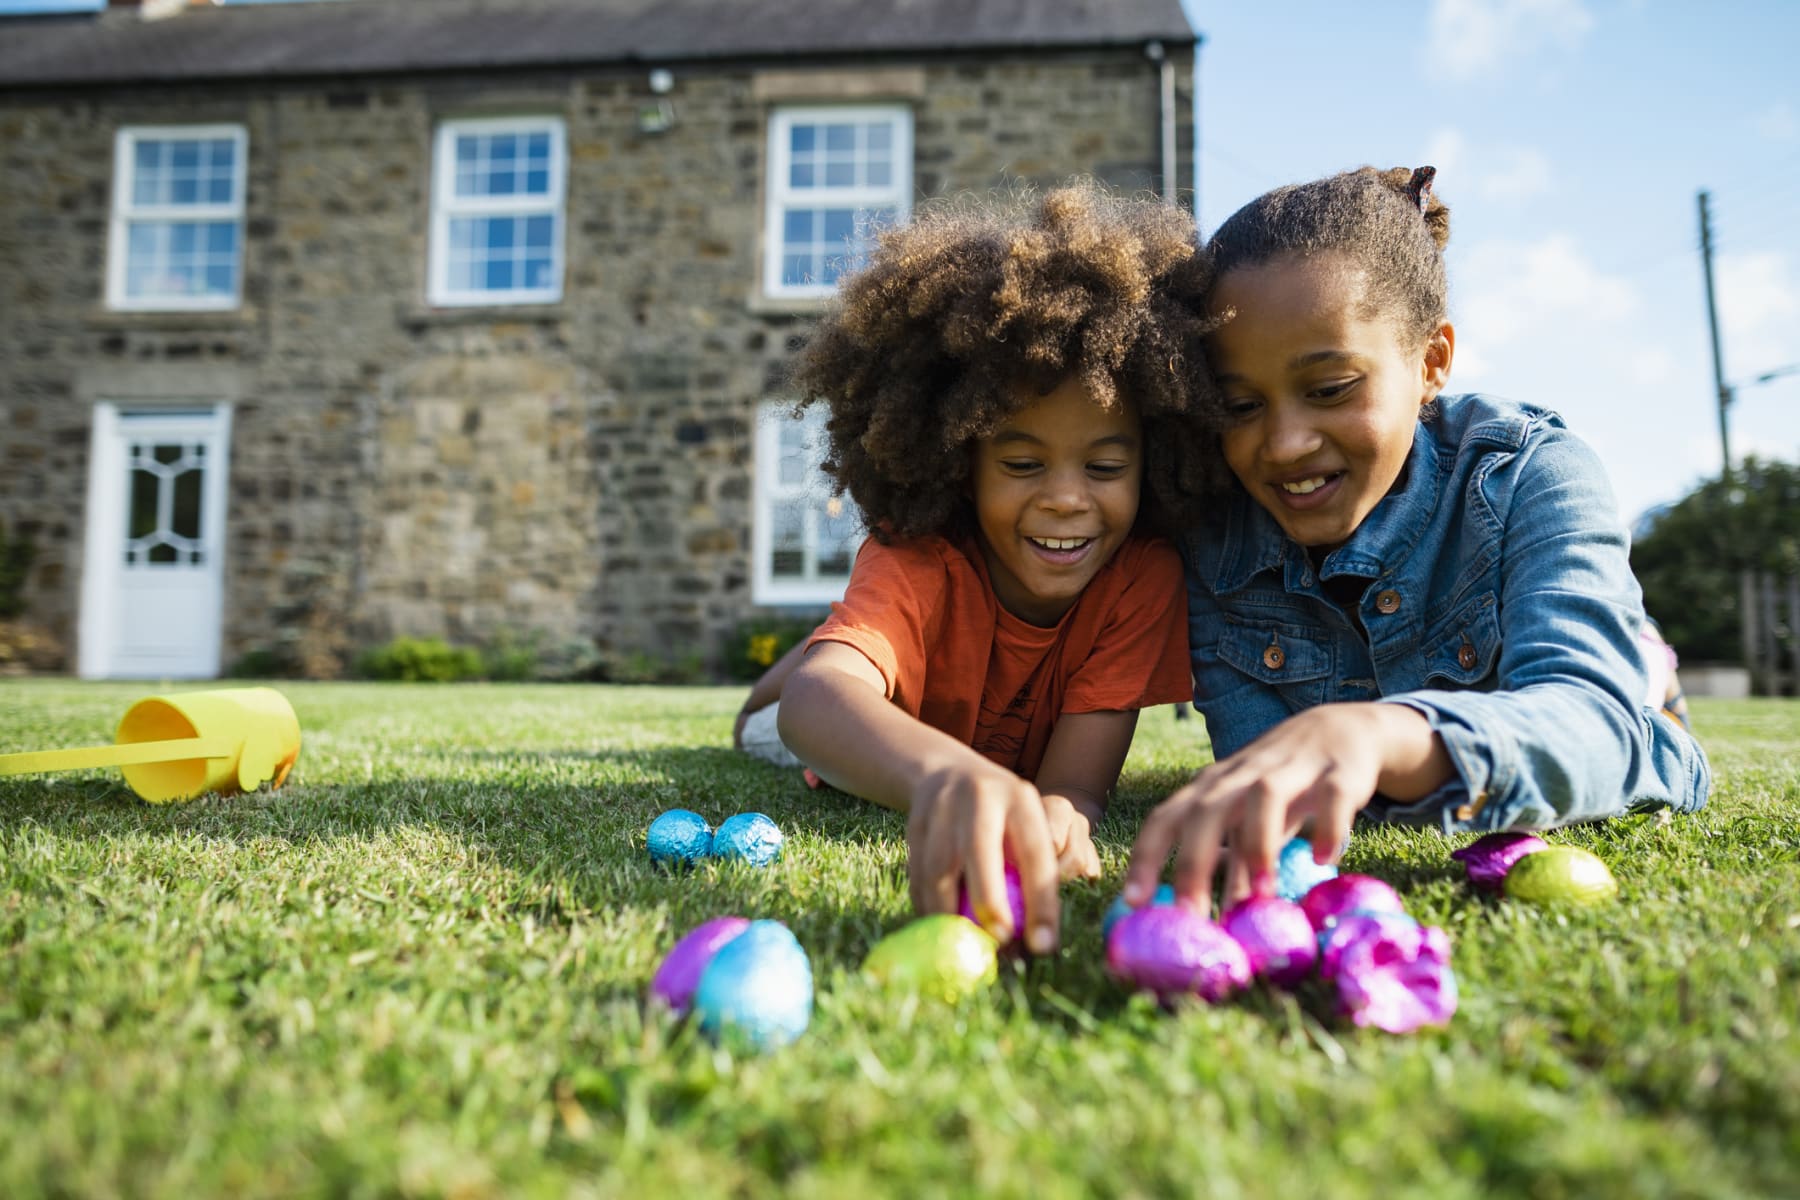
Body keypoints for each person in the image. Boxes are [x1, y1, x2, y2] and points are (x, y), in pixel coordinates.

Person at [1121, 166, 1711, 915]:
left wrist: (1388, 735)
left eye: (1331, 389)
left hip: (1575, 690)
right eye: (1240, 405)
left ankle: (1639, 655)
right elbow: (1271, 783)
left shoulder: (1535, 474)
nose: (1285, 443)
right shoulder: (1214, 540)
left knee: (1617, 685)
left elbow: (1611, 739)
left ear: (1431, 362)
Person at [739, 184, 1224, 954]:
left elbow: (1076, 785)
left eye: (1105, 465)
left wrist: (1064, 814)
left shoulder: (1142, 578)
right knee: (769, 716)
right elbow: (813, 708)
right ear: (960, 462)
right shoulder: (918, 554)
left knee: (852, 648)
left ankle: (853, 638)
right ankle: (837, 642)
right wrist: (940, 773)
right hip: (862, 732)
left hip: (927, 682)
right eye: (1023, 462)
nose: (1067, 500)